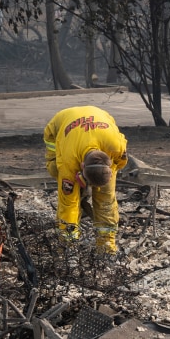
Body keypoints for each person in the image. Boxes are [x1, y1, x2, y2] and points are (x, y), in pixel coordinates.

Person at [43, 106, 128, 253]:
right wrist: (68, 241)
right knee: (56, 173)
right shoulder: (68, 163)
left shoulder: (116, 147)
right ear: (81, 166)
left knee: (106, 199)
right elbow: (67, 205)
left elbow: (120, 164)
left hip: (102, 116)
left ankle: (106, 247)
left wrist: (103, 177)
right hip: (59, 126)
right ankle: (68, 250)